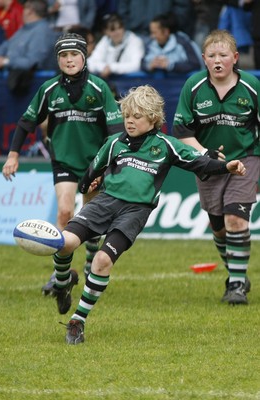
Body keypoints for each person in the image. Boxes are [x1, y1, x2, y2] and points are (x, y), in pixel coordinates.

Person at [44, 84, 245, 345]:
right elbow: (90, 174)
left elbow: (199, 162)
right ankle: (62, 282)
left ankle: (78, 320)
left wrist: (226, 167)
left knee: (102, 262)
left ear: (153, 119)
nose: (130, 120)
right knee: (64, 243)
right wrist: (88, 185)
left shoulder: (165, 145)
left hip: (134, 212)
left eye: (137, 116)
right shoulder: (113, 142)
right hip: (104, 203)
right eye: (127, 115)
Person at [2, 33, 124, 294]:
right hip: (64, 161)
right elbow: (26, 122)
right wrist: (12, 155)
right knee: (65, 214)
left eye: (74, 55)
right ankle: (62, 275)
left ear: (84, 57)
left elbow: (116, 132)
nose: (69, 60)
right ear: (58, 60)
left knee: (91, 219)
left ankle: (91, 265)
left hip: (96, 163)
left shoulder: (100, 88)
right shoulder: (49, 89)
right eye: (63, 56)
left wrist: (105, 166)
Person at [172, 29, 260, 305]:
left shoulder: (252, 86)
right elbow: (181, 130)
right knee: (219, 226)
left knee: (236, 219)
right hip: (209, 164)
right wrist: (204, 153)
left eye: (223, 55)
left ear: (235, 58)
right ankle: (235, 271)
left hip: (246, 158)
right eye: (212, 55)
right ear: (203, 59)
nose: (218, 60)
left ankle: (235, 284)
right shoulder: (194, 86)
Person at [0, 0, 57, 72]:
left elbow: (33, 62)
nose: (22, 11)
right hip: (14, 77)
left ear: (30, 11)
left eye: (24, 8)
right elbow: (6, 45)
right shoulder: (24, 29)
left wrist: (5, 61)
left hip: (34, 80)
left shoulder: (42, 32)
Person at [87, 13, 145, 79]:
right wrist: (104, 68)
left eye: (120, 28)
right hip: (110, 81)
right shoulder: (105, 40)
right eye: (112, 29)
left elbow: (136, 66)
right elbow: (91, 62)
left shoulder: (135, 41)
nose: (117, 32)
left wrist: (111, 68)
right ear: (106, 32)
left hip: (130, 82)